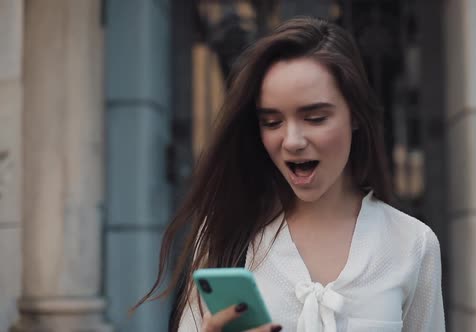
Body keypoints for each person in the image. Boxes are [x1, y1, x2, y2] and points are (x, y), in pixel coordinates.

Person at [135, 16, 445, 332]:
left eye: (315, 118)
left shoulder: (412, 244)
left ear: (355, 116)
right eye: (272, 123)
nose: (292, 141)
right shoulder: (224, 233)